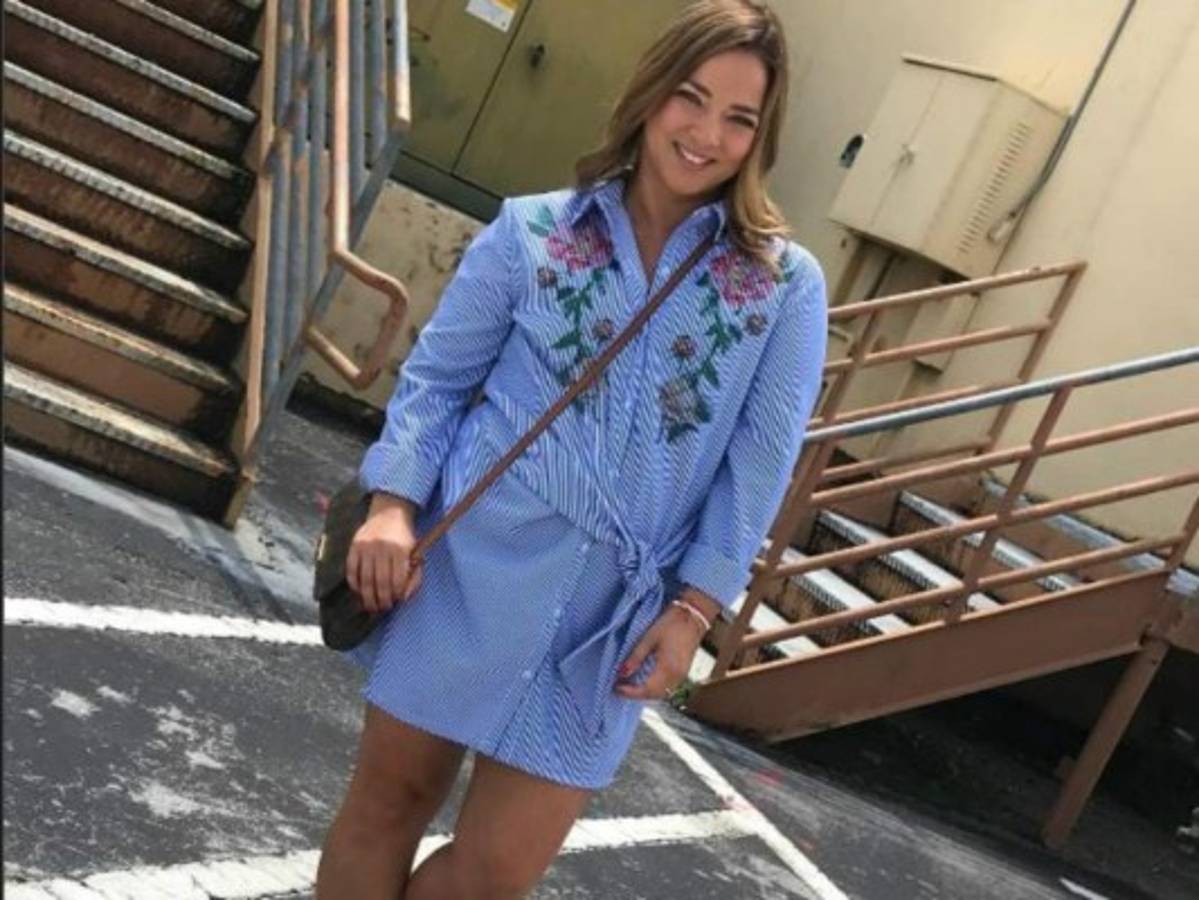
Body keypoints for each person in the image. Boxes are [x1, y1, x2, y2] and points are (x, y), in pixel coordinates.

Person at [315, 1, 827, 896]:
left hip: (608, 624)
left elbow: (758, 463)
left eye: (739, 118)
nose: (706, 134)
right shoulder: (532, 233)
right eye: (690, 97)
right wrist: (393, 508)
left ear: (762, 136)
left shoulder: (782, 287)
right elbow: (436, 383)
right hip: (465, 570)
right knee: (387, 804)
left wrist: (693, 612)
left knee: (495, 873)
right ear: (651, 93)